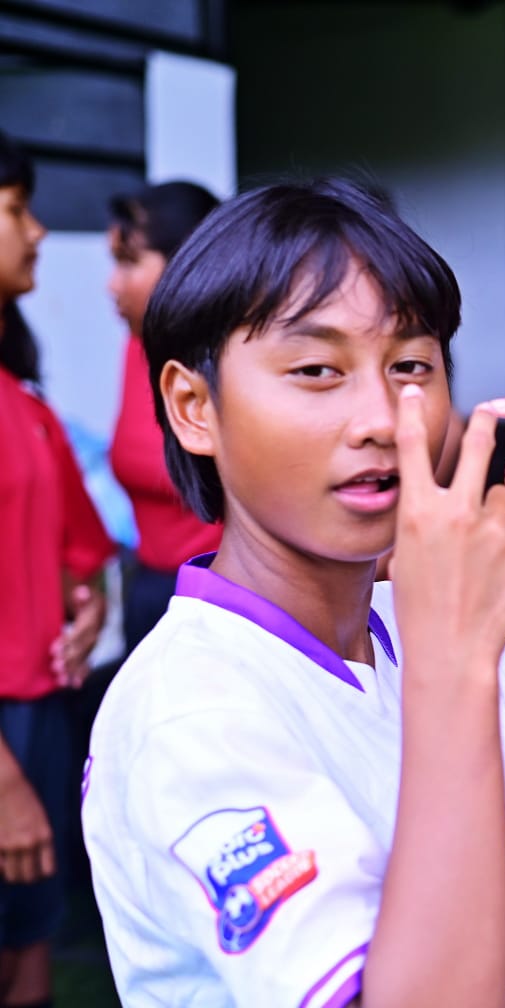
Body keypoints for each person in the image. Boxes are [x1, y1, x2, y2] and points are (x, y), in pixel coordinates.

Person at [80, 179, 505, 1006]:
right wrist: (456, 666)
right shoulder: (192, 714)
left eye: (412, 366)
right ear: (194, 406)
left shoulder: (413, 628)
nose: (384, 417)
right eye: (317, 370)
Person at [0, 128, 115, 1008]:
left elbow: (82, 545)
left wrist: (85, 607)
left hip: (38, 713)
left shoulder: (25, 404)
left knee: (28, 954)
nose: (37, 230)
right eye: (15, 210)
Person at [105, 180, 223, 651]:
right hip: (150, 589)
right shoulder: (137, 348)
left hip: (220, 598)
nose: (112, 284)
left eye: (128, 262)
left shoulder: (228, 360)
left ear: (185, 264)